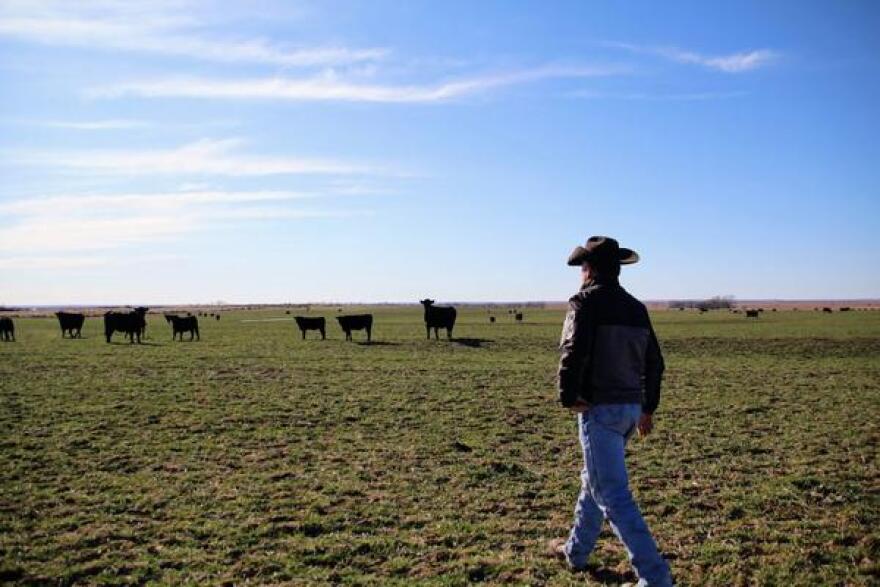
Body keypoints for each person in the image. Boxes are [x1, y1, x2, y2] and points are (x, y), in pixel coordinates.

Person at [549, 236, 672, 586]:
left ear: (588, 270)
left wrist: (567, 396)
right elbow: (655, 362)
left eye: (582, 267)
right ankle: (575, 552)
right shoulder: (636, 308)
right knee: (595, 481)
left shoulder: (583, 303)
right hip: (631, 411)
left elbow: (572, 352)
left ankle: (656, 577)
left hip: (599, 410)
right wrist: (648, 408)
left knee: (613, 495)